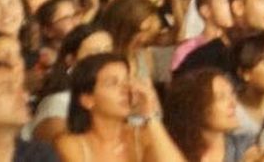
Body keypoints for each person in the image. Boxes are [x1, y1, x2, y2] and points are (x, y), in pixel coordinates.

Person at [55, 53, 183, 162]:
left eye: (127, 80)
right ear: (88, 100)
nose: (126, 89)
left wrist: (150, 114)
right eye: (112, 83)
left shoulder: (143, 136)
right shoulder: (71, 144)